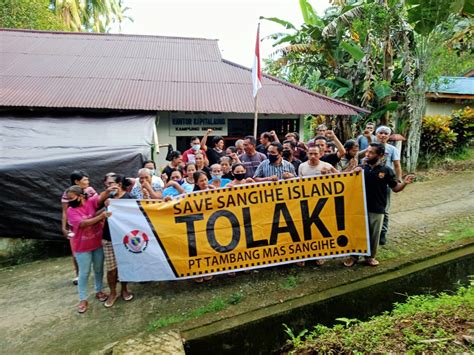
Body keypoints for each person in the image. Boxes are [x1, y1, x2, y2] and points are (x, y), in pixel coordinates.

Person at [344, 143, 414, 267]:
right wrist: (352, 171)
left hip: (377, 208)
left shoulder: (386, 170)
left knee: (374, 234)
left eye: (371, 152)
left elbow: (396, 188)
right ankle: (353, 257)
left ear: (380, 155)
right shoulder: (361, 168)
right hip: (359, 207)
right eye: (367, 152)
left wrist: (405, 183)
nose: (367, 154)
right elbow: (345, 182)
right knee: (356, 232)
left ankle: (370, 257)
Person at [66, 185, 110, 313]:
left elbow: (101, 197)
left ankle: (99, 291)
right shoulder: (71, 210)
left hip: (97, 243)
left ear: (81, 196)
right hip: (82, 247)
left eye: (72, 198)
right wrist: (101, 216)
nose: (70, 201)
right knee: (84, 273)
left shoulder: (90, 202)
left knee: (98, 269)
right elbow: (83, 224)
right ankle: (83, 299)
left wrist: (108, 190)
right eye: (68, 198)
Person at [100, 174, 134, 308]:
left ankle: (124, 289)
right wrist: (105, 204)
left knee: (124, 265)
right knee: (111, 269)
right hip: (108, 238)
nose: (109, 186)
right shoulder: (106, 198)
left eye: (111, 184)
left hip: (125, 238)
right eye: (107, 184)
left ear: (119, 184)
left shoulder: (129, 197)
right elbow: (95, 207)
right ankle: (113, 292)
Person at [61, 170, 97, 285]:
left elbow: (97, 203)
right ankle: (78, 274)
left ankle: (96, 274)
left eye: (87, 179)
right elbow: (65, 212)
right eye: (85, 179)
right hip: (76, 227)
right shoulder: (68, 194)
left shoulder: (90, 190)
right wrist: (64, 228)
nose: (87, 182)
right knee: (76, 251)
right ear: (76, 181)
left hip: (92, 224)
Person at [374, 126, 401, 245]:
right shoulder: (370, 148)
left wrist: (398, 178)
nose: (383, 135)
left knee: (384, 209)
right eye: (381, 133)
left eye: (386, 133)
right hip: (370, 181)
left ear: (389, 136)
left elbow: (397, 165)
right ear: (376, 134)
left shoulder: (392, 149)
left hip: (385, 182)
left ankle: (382, 234)